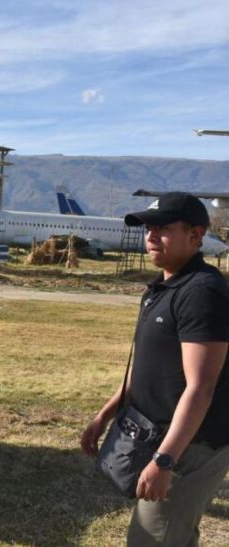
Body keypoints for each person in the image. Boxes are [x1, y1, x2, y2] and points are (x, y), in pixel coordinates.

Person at [81, 193, 229, 546]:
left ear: (196, 235)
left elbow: (201, 387)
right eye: (148, 227)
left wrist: (165, 460)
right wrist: (105, 415)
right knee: (173, 536)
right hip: (159, 437)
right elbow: (148, 365)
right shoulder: (163, 288)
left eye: (163, 228)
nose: (151, 235)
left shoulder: (201, 292)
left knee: (153, 539)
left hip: (192, 446)